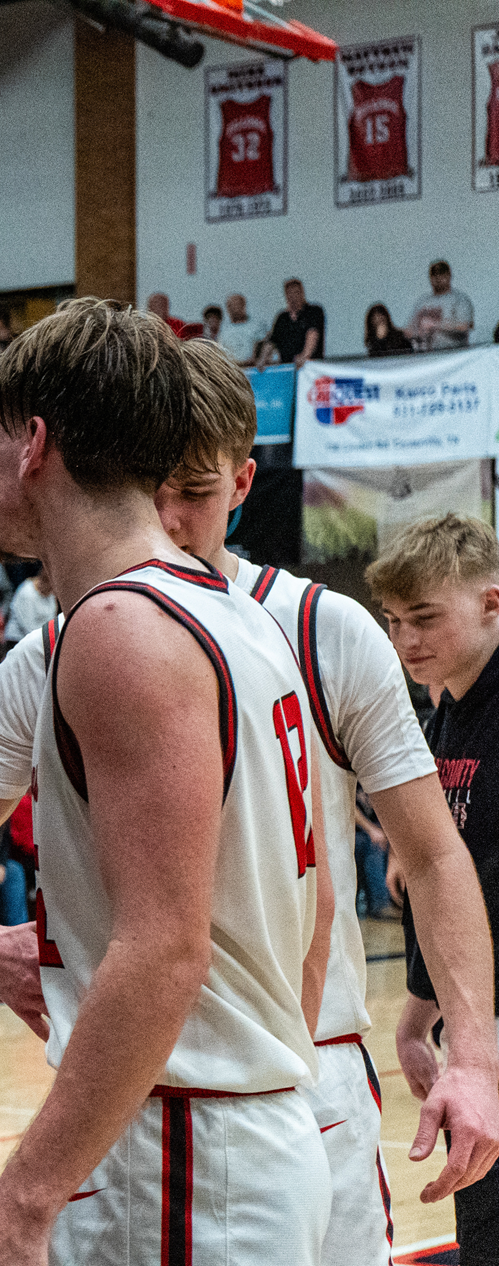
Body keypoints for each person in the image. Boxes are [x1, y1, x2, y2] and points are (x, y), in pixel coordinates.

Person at [0, 297, 333, 1266]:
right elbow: (306, 923)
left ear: (33, 445)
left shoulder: (117, 629)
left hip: (184, 1156)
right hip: (243, 1135)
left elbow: (163, 950)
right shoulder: (234, 615)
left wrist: (19, 1205)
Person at [369, 514, 499, 1258]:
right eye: (393, 621)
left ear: (491, 603)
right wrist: (417, 1018)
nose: (406, 640)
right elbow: (455, 891)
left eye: (425, 618)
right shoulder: (445, 708)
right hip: (476, 1022)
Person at [407, 259, 475, 351]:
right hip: (424, 355)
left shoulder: (460, 299)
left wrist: (435, 325)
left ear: (449, 276)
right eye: (434, 274)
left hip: (453, 354)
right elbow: (409, 331)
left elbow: (463, 327)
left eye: (442, 274)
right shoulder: (422, 302)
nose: (438, 278)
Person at [268, 277, 325, 368]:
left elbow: (312, 333)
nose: (293, 297)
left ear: (302, 293)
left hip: (309, 366)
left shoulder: (314, 311)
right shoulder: (282, 317)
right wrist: (262, 359)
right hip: (287, 366)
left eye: (296, 292)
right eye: (290, 293)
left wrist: (305, 356)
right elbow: (272, 340)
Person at [4, 567, 57, 641]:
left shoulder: (50, 595)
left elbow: (51, 622)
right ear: (45, 582)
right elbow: (28, 627)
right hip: (17, 640)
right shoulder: (27, 592)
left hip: (40, 640)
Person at [217, 292, 264, 365]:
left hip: (252, 368)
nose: (233, 309)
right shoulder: (224, 330)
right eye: (230, 306)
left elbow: (263, 345)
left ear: (243, 305)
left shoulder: (256, 326)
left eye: (236, 305)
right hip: (233, 369)